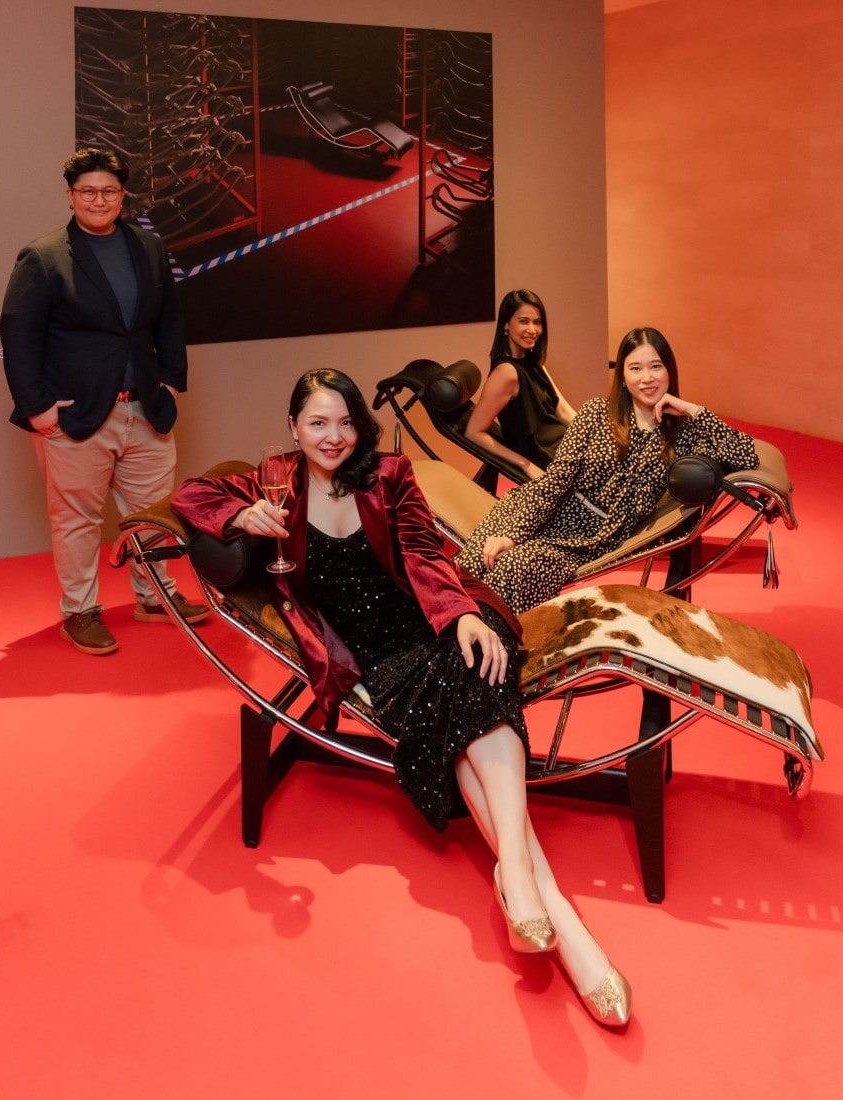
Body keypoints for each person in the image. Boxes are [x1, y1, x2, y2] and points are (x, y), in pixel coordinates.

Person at [172, 367, 631, 1027]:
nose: (333, 436)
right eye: (317, 423)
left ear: (361, 425)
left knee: (478, 675)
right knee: (469, 722)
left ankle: (523, 883)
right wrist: (240, 515)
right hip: (380, 656)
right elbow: (189, 495)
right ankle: (553, 910)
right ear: (294, 427)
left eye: (345, 422)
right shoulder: (276, 481)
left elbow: (422, 552)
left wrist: (462, 614)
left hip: (437, 617)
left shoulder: (388, 474)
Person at [0, 145, 206, 655]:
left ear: (122, 195)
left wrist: (172, 381)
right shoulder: (44, 256)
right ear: (70, 196)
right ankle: (80, 611)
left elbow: (170, 320)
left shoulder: (149, 247)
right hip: (77, 415)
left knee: (153, 514)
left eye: (108, 191)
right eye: (87, 191)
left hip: (146, 409)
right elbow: (18, 336)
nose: (98, 200)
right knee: (77, 521)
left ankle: (154, 597)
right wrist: (38, 408)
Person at [458, 326, 758, 615]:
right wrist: (513, 534)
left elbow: (746, 454)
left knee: (513, 568)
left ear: (670, 371)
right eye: (635, 368)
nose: (647, 378)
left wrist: (692, 409)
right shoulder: (595, 413)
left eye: (656, 367)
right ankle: (449, 641)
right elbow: (556, 480)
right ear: (623, 376)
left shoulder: (682, 434)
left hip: (588, 541)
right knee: (468, 571)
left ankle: (493, 644)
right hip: (537, 510)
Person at [465, 288, 576, 481]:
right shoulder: (506, 373)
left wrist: (593, 433)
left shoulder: (533, 362)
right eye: (524, 321)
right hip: (552, 459)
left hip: (566, 447)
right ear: (506, 324)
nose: (532, 330)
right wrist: (525, 464)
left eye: (537, 322)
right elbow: (473, 432)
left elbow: (563, 410)